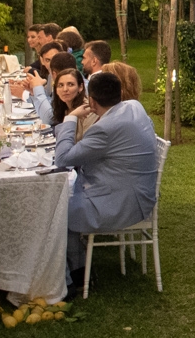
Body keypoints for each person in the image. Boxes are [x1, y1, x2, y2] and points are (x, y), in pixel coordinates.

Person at [54, 69, 160, 286]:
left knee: (56, 212)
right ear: (120, 93)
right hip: (138, 191)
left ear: (91, 101)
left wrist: (70, 118)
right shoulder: (134, 107)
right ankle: (78, 265)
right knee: (62, 199)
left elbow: (63, 158)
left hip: (124, 202)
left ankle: (78, 272)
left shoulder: (104, 129)